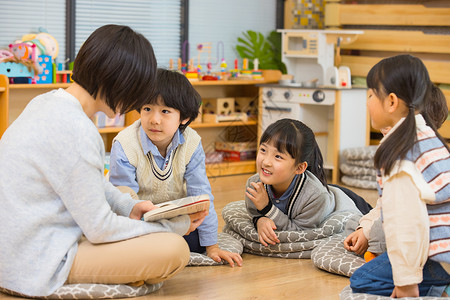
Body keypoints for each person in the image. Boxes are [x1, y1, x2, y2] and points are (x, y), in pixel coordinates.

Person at [0, 25, 208, 297]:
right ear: (118, 80)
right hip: (34, 260)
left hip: (16, 244)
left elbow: (88, 181)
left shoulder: (47, 102)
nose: (135, 101)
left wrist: (129, 206)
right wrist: (174, 226)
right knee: (174, 249)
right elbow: (100, 229)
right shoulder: (78, 131)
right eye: (136, 90)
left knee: (122, 193)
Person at [109, 68, 243, 267]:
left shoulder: (192, 143)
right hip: (137, 222)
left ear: (184, 118)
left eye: (165, 111)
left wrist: (212, 247)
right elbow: (123, 200)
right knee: (128, 240)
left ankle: (161, 245)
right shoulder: (124, 144)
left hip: (175, 222)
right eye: (147, 109)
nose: (154, 119)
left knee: (196, 240)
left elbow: (202, 195)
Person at [348, 54, 450, 298]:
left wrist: (406, 283)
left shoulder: (397, 154)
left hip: (440, 258)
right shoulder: (428, 136)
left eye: (371, 94)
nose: (367, 102)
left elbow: (406, 223)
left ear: (391, 102)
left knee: (361, 280)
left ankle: (439, 289)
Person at [245, 118, 361, 246]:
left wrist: (267, 208)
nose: (266, 162)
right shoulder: (254, 184)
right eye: (263, 150)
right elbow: (254, 213)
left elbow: (299, 233)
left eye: (278, 156)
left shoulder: (315, 196)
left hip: (345, 202)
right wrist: (260, 220)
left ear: (299, 168)